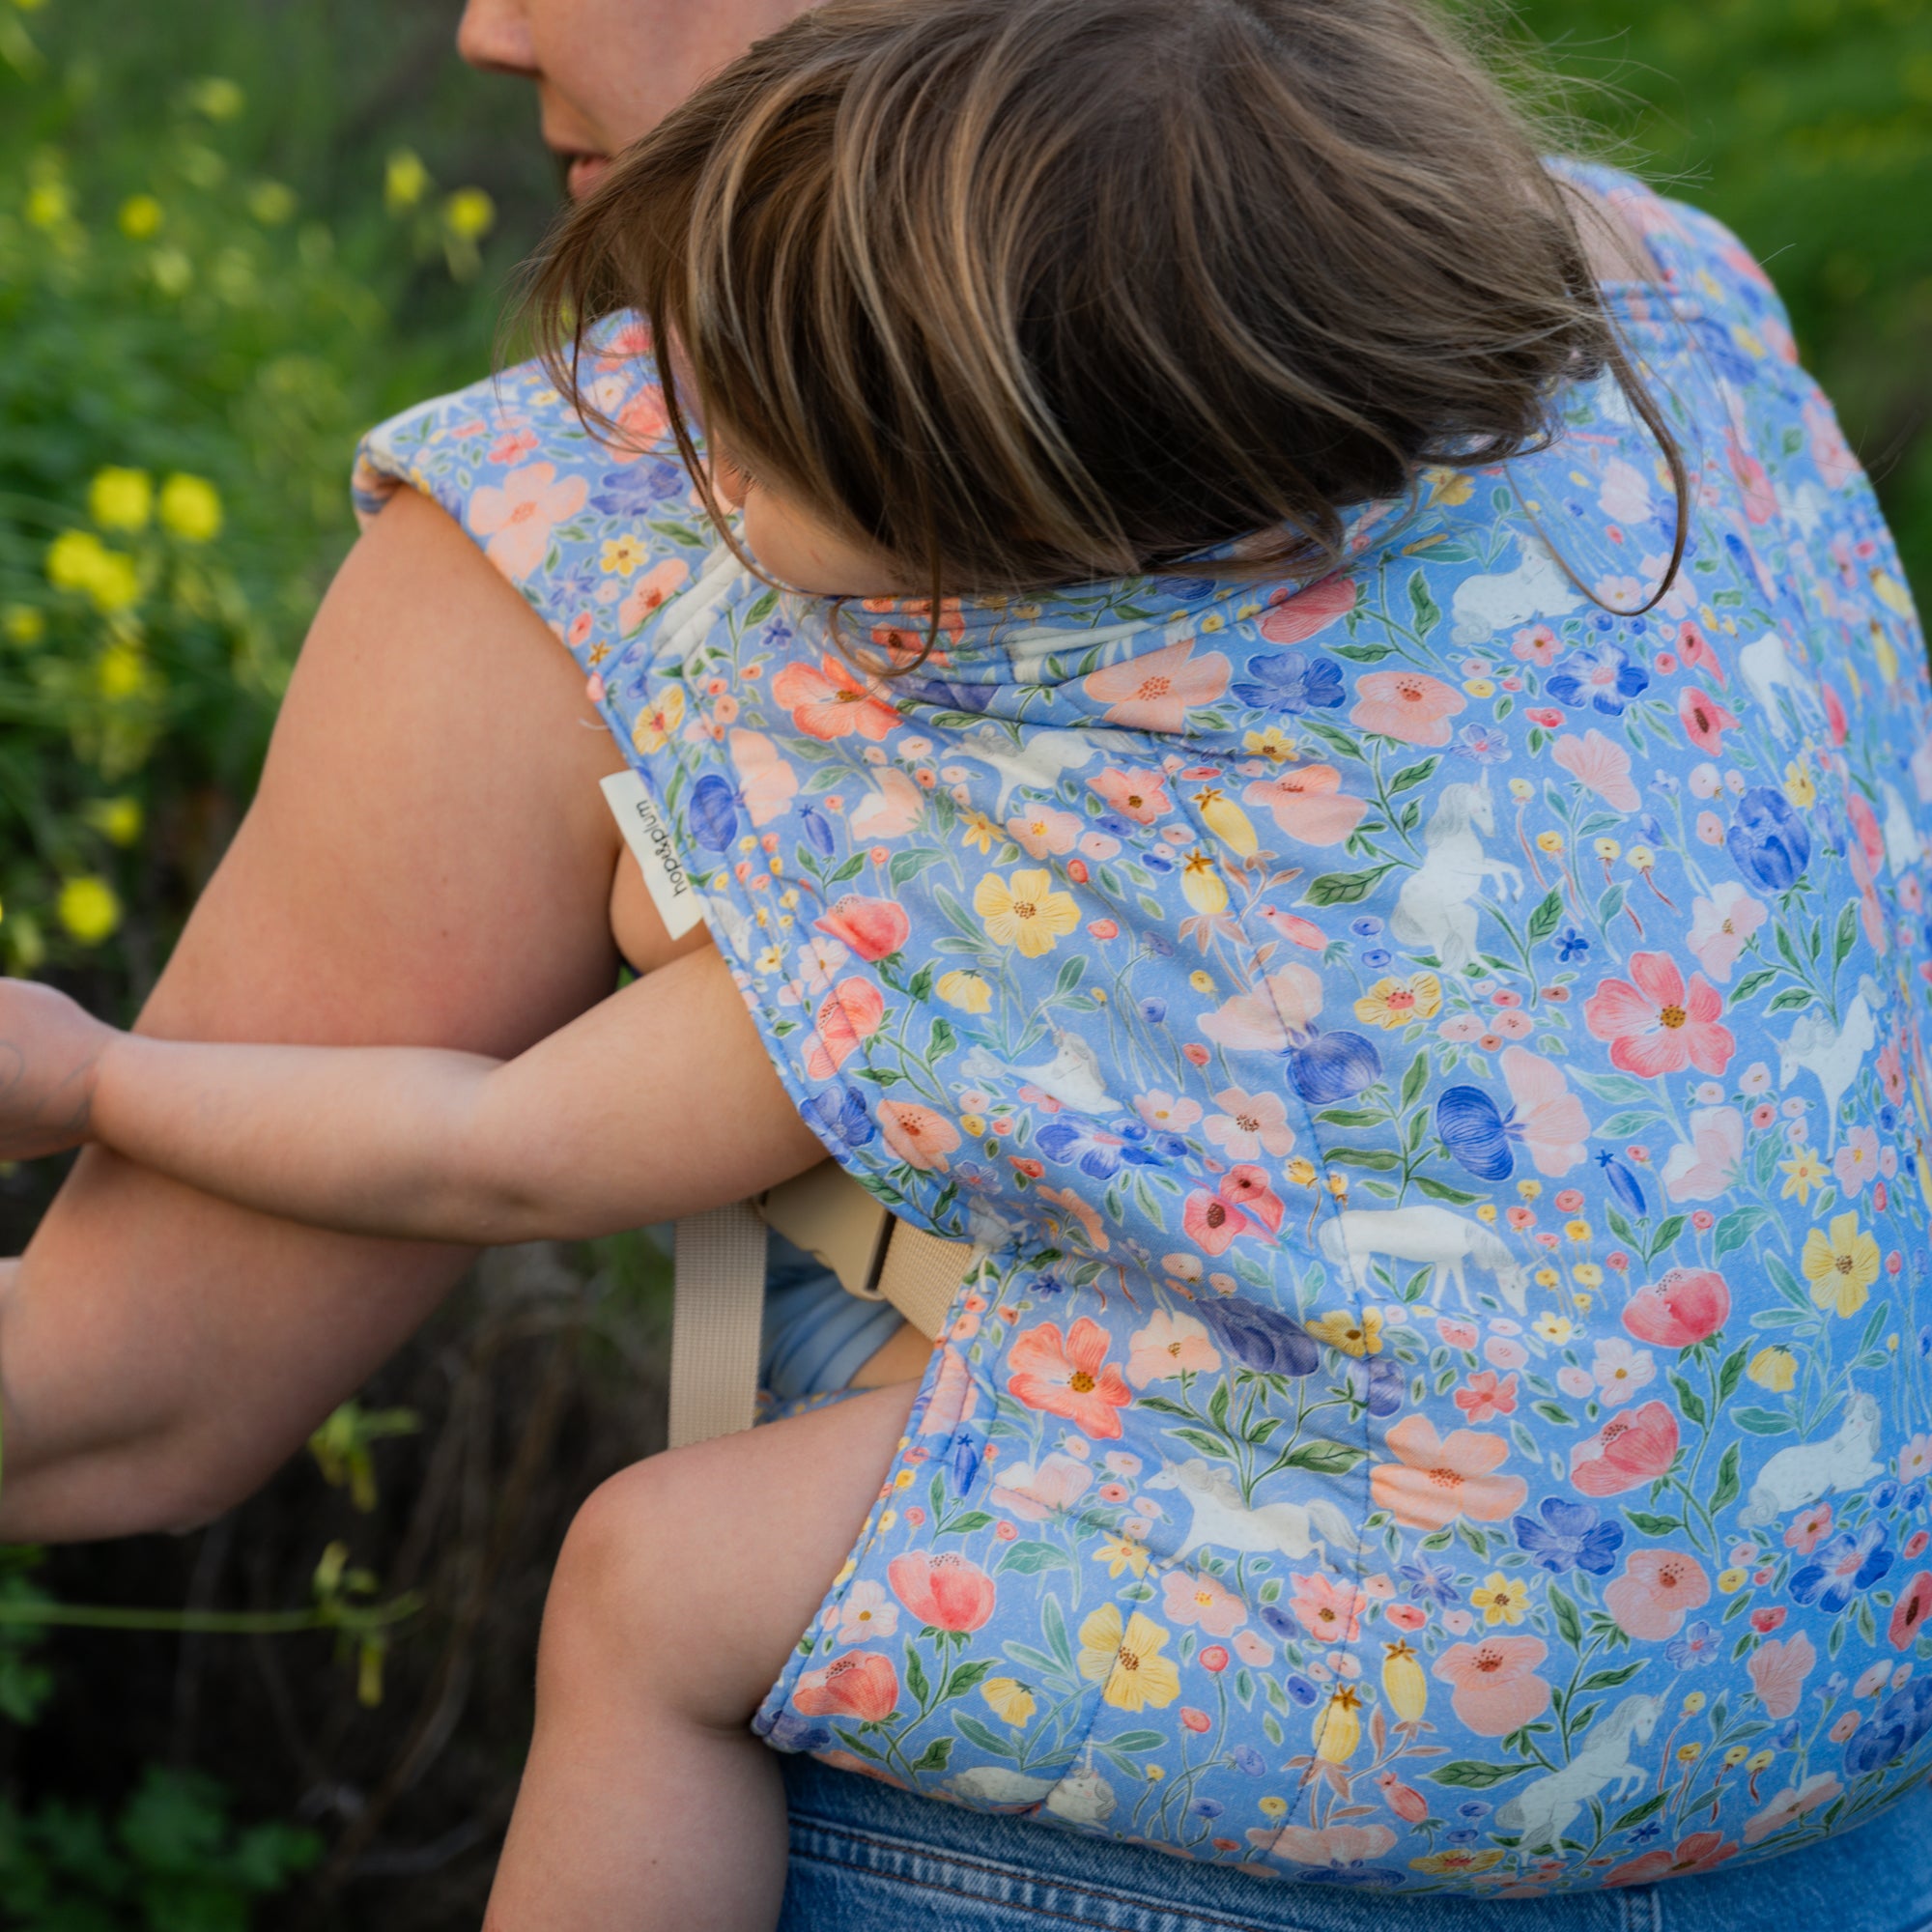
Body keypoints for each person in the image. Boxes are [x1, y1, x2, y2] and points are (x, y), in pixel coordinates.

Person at [2, 2, 1929, 1930]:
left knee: (650, 1586)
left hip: (1256, 1776)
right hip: (1845, 1708)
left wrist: (86, 1075)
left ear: (991, 508)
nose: (484, 27)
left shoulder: (866, 780)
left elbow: (203, 1337)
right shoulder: (1646, 286)